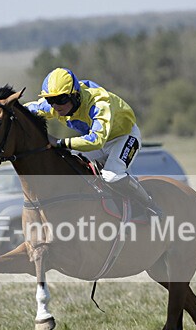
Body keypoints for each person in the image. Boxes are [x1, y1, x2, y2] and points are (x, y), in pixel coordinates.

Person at [25, 67, 162, 217]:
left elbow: (96, 140)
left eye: (61, 99)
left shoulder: (99, 103)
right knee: (70, 165)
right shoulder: (53, 106)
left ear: (75, 95)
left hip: (123, 138)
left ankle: (149, 205)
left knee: (112, 176)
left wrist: (60, 142)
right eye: (51, 100)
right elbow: (23, 110)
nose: (56, 106)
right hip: (97, 141)